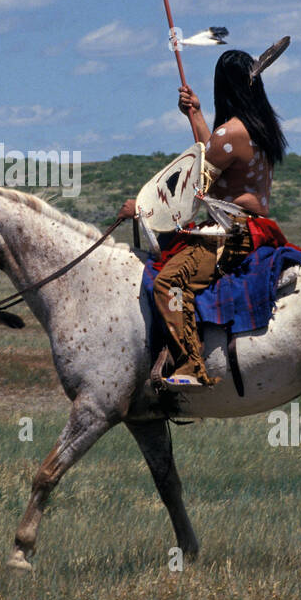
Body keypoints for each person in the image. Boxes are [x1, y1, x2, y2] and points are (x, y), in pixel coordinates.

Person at [118, 49, 289, 389]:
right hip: (255, 228)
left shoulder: (231, 132)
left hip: (232, 232)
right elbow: (212, 150)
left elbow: (194, 182)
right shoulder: (259, 126)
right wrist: (194, 114)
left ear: (222, 88)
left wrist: (140, 207)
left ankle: (191, 365)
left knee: (170, 282)